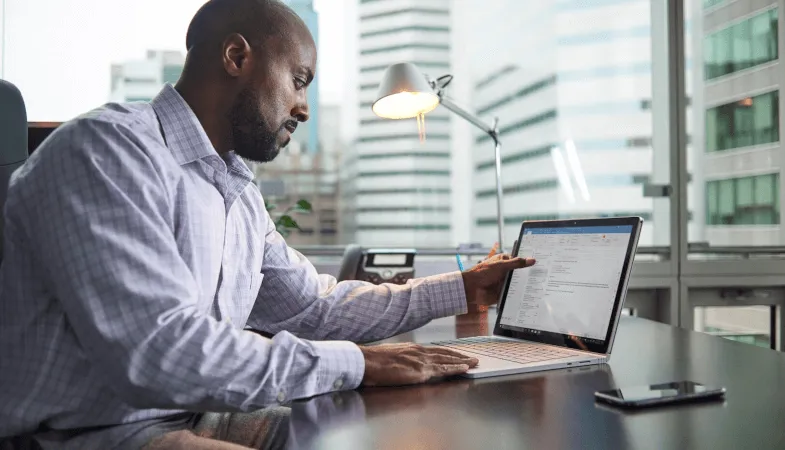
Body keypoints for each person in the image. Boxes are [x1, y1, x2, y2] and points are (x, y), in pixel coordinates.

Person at [0, 0, 535, 449]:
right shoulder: (107, 153)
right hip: (92, 434)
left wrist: (462, 288)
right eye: (299, 80)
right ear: (236, 56)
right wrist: (360, 364)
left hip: (188, 414)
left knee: (398, 430)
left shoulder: (234, 187)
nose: (302, 108)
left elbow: (311, 307)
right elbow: (162, 352)